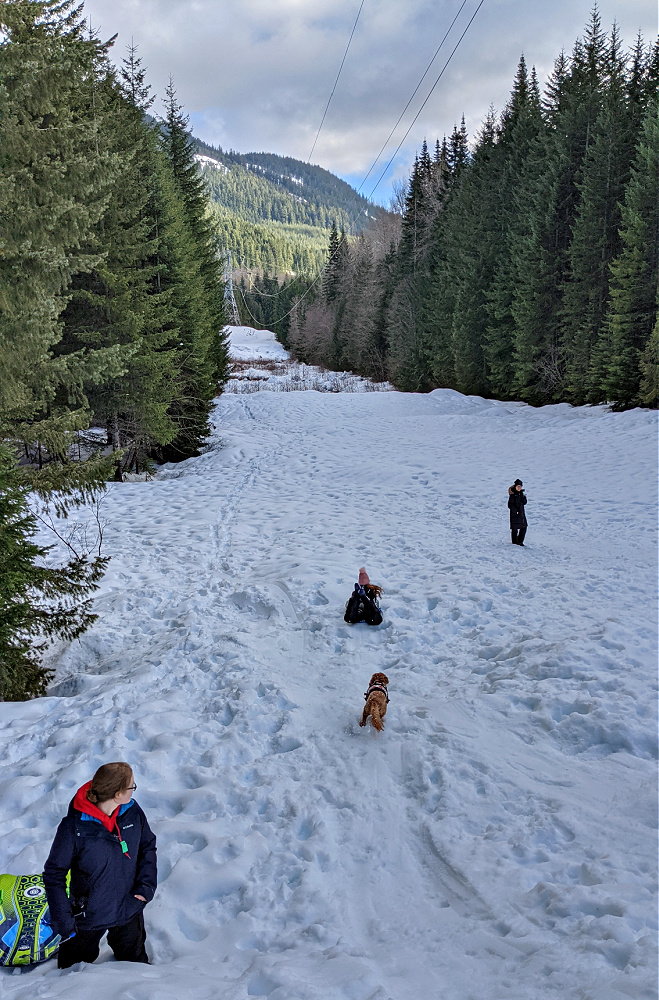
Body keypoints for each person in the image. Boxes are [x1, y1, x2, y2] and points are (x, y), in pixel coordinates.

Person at [43, 762, 157, 969]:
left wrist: (145, 886)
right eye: (131, 786)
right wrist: (65, 922)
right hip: (87, 917)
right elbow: (54, 874)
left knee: (138, 969)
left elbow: (147, 846)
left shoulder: (132, 812)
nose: (134, 790)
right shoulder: (74, 827)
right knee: (69, 974)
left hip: (128, 909)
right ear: (117, 794)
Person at [508, 479, 528, 546]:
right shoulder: (513, 495)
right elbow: (510, 505)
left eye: (520, 486)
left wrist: (522, 496)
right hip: (515, 515)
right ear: (515, 486)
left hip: (521, 514)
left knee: (524, 526)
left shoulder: (521, 494)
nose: (519, 488)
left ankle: (520, 541)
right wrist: (515, 511)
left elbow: (525, 502)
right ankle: (515, 542)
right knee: (514, 528)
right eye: (518, 486)